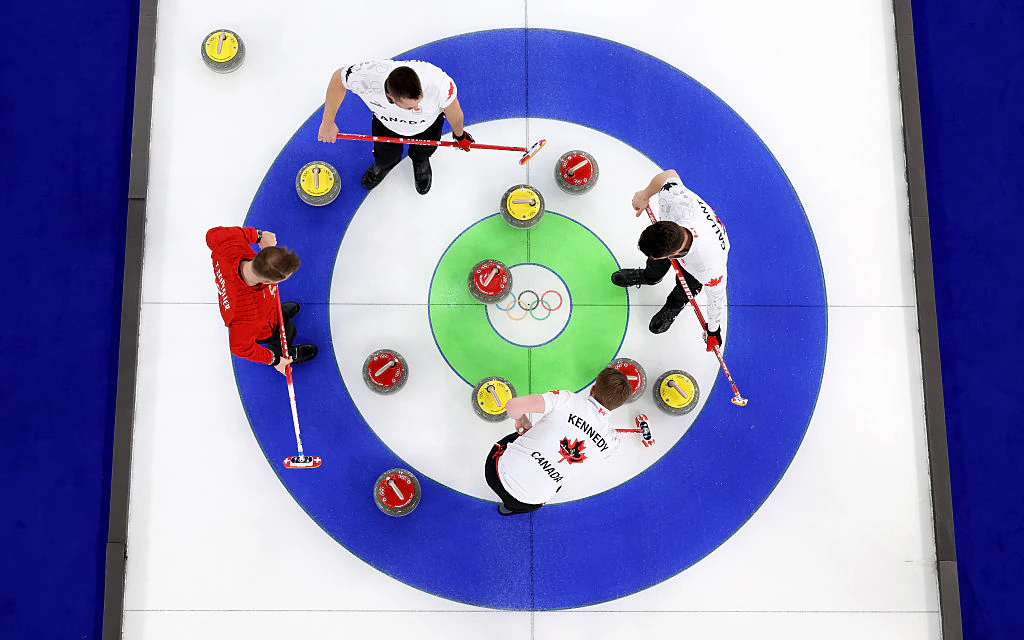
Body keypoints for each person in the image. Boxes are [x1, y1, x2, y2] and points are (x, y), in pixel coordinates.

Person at [485, 367, 632, 516]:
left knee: (523, 435)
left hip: (494, 475)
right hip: (528, 502)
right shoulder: (611, 443)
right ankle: (509, 508)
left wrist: (521, 419)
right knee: (556, 483)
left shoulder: (567, 399)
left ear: (593, 388)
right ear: (617, 406)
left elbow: (512, 406)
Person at [611, 169, 731, 349]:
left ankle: (673, 307)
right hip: (683, 238)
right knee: (654, 268)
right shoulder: (674, 200)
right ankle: (650, 277)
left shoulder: (709, 268)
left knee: (685, 289)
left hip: (700, 260)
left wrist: (713, 330)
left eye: (655, 255)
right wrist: (645, 195)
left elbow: (716, 299)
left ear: (670, 255)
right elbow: (669, 175)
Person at [316, 60, 473, 195]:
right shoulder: (366, 78)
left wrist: (460, 135)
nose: (417, 108)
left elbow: (454, 112)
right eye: (411, 106)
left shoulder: (439, 84)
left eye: (419, 101)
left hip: (427, 126)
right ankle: (384, 165)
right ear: (391, 97)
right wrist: (328, 122)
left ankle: (420, 161)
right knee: (385, 155)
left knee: (423, 150)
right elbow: (338, 79)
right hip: (387, 125)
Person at [206, 226, 318, 375]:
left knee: (279, 311)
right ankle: (286, 354)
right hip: (265, 327)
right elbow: (239, 348)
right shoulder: (249, 316)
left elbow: (212, 235)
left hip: (265, 307)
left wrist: (258, 236)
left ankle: (280, 313)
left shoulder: (229, 245)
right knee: (288, 331)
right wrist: (275, 361)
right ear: (266, 281)